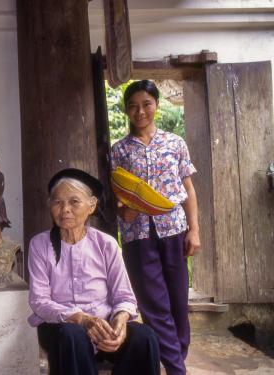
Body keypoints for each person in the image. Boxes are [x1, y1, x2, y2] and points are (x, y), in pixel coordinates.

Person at [28, 168, 160, 375]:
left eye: (74, 202)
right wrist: (81, 319)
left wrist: (120, 322)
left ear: (91, 206)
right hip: (60, 328)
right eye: (57, 202)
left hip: (104, 328)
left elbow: (124, 296)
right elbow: (39, 302)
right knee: (73, 336)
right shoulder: (40, 245)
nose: (64, 210)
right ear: (49, 205)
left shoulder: (106, 244)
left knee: (145, 337)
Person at [110, 80, 201, 375]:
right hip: (139, 237)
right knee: (154, 307)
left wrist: (194, 230)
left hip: (174, 231)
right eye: (133, 106)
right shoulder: (119, 150)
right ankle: (177, 369)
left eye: (146, 104)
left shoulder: (175, 144)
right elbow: (118, 202)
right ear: (126, 110)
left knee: (178, 305)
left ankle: (176, 358)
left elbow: (188, 190)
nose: (140, 112)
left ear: (156, 106)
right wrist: (127, 210)